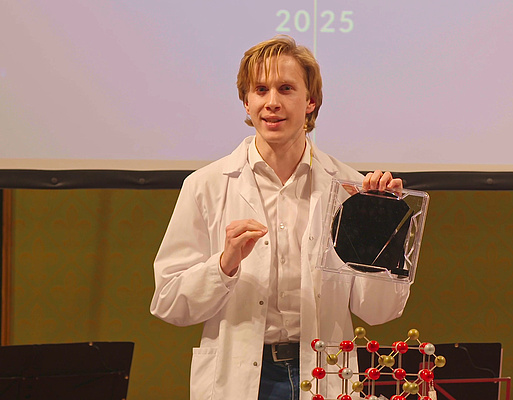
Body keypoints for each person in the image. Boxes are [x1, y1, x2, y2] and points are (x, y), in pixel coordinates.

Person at [150, 35, 411, 400]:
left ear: (310, 101)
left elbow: (378, 311)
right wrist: (223, 266)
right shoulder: (205, 185)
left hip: (321, 372)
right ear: (246, 101)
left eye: (286, 89)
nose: (272, 102)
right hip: (239, 377)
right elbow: (169, 302)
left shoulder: (349, 189)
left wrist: (381, 233)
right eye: (260, 90)